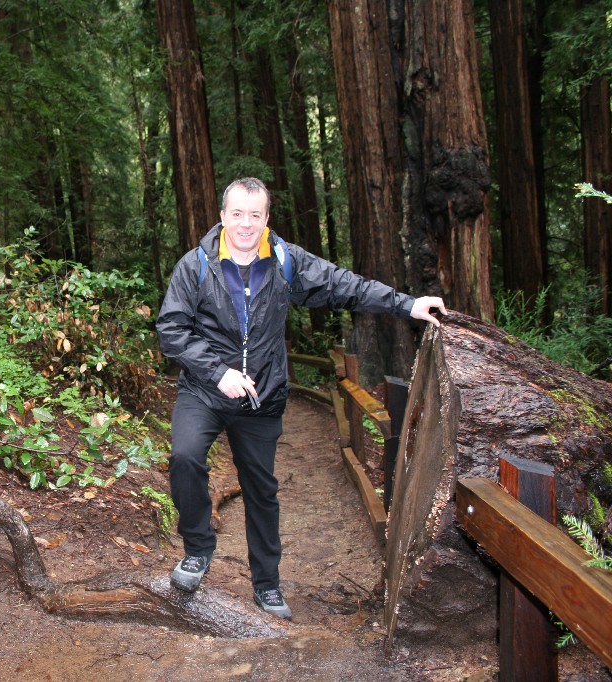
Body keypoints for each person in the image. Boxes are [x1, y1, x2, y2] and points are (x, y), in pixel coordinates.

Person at [155, 177, 446, 619]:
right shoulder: (195, 266)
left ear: (267, 219)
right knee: (185, 457)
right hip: (205, 390)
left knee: (261, 489)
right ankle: (197, 550)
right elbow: (171, 330)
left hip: (261, 396)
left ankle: (267, 585)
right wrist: (218, 372)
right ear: (223, 216)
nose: (246, 224)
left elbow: (345, 285)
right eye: (237, 213)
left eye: (255, 215)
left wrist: (406, 304)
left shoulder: (286, 261)